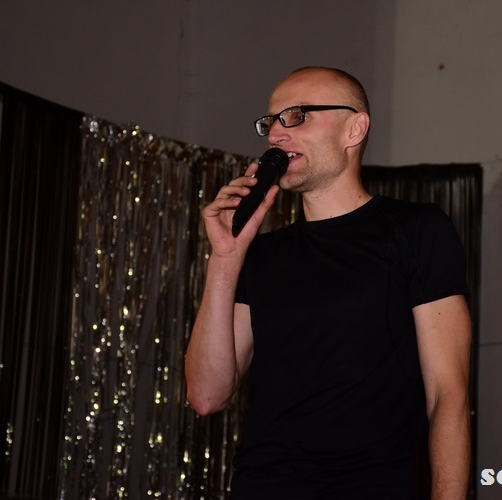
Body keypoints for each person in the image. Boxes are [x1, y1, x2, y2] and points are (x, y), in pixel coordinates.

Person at [185, 66, 472, 500]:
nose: (276, 134)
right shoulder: (261, 255)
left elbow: (448, 394)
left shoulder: (415, 230)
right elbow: (207, 396)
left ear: (354, 129)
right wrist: (225, 259)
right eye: (271, 122)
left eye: (297, 116)